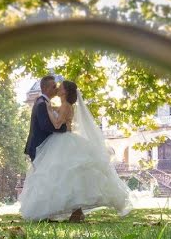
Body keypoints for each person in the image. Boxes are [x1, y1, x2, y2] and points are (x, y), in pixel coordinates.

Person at [19, 78, 132, 222]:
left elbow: (58, 125)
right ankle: (74, 212)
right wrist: (51, 109)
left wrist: (50, 110)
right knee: (64, 176)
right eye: (55, 86)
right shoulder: (54, 104)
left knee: (65, 175)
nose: (58, 88)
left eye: (60, 87)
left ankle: (74, 211)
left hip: (62, 141)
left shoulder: (62, 105)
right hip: (59, 141)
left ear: (65, 91)